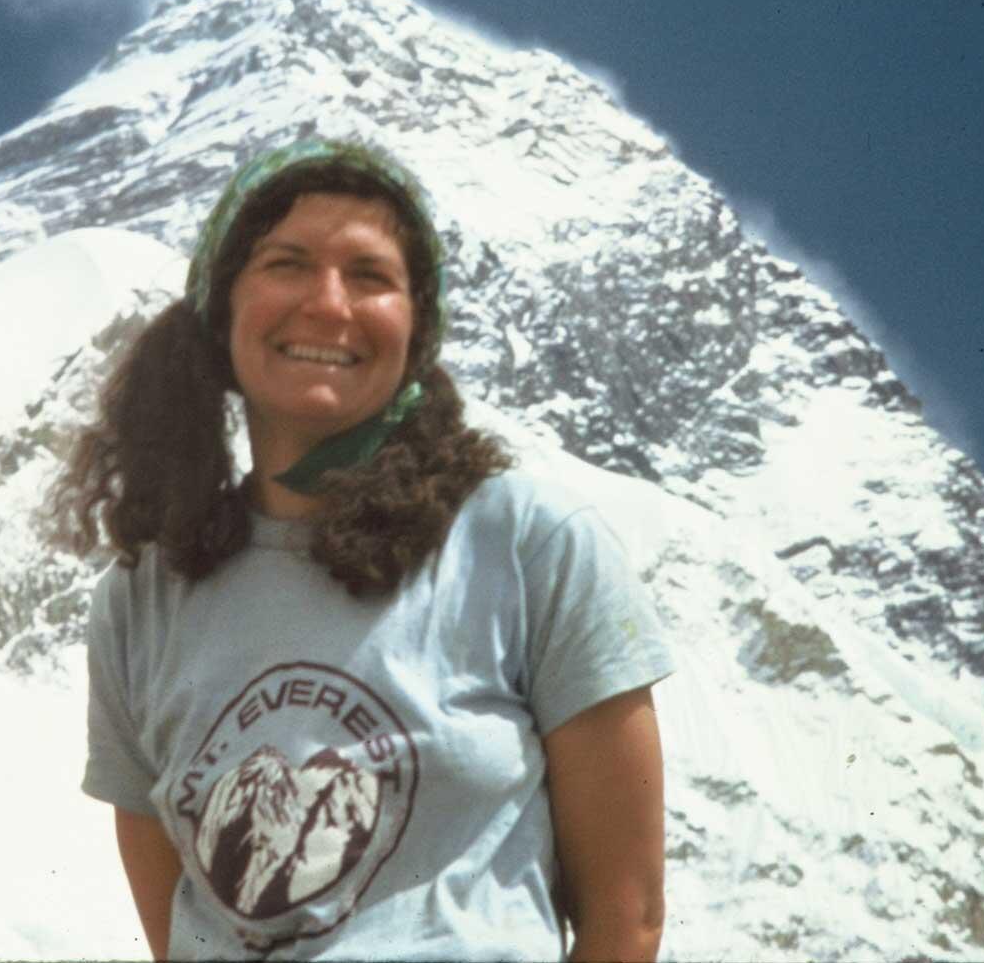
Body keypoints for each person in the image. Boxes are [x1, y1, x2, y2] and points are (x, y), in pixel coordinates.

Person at [54, 138, 676, 961]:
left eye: (371, 276)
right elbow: (183, 931)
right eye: (287, 263)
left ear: (416, 326)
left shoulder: (531, 545)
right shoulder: (140, 602)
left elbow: (626, 915)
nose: (329, 303)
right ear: (220, 310)